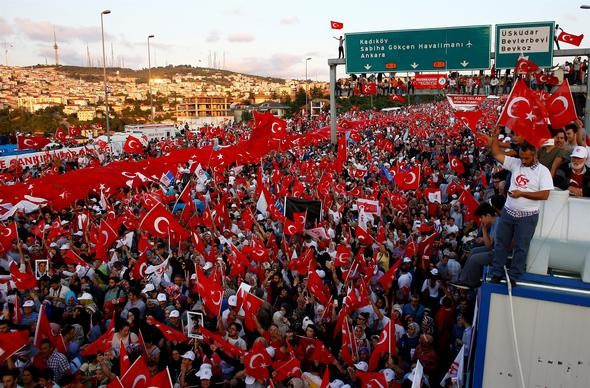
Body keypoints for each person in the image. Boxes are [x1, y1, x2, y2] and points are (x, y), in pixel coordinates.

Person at [489, 127, 553, 285]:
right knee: (501, 242)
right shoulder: (516, 163)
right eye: (522, 157)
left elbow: (545, 195)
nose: (523, 161)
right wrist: (495, 136)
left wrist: (522, 194)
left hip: (528, 216)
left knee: (521, 247)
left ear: (535, 155)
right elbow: (497, 154)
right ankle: (497, 273)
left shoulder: (542, 171)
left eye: (526, 158)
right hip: (509, 212)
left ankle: (514, 276)